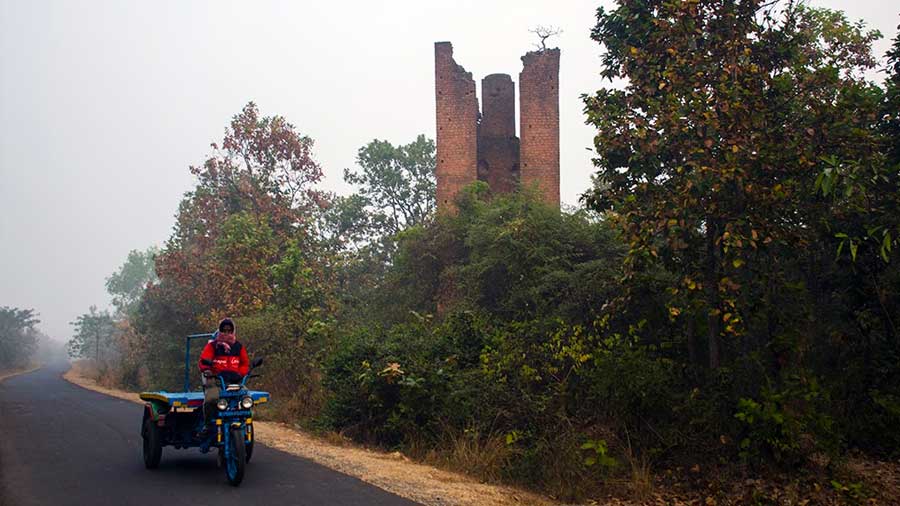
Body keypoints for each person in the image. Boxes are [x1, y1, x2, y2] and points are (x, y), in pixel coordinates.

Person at [198, 318, 249, 429]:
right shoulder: (212, 346)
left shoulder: (238, 347)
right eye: (224, 330)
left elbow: (245, 363)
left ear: (233, 332)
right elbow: (203, 361)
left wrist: (241, 374)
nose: (226, 333)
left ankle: (245, 423)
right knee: (211, 399)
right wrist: (207, 370)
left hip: (235, 381)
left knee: (246, 397)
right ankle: (207, 425)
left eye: (229, 331)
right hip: (216, 380)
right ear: (220, 331)